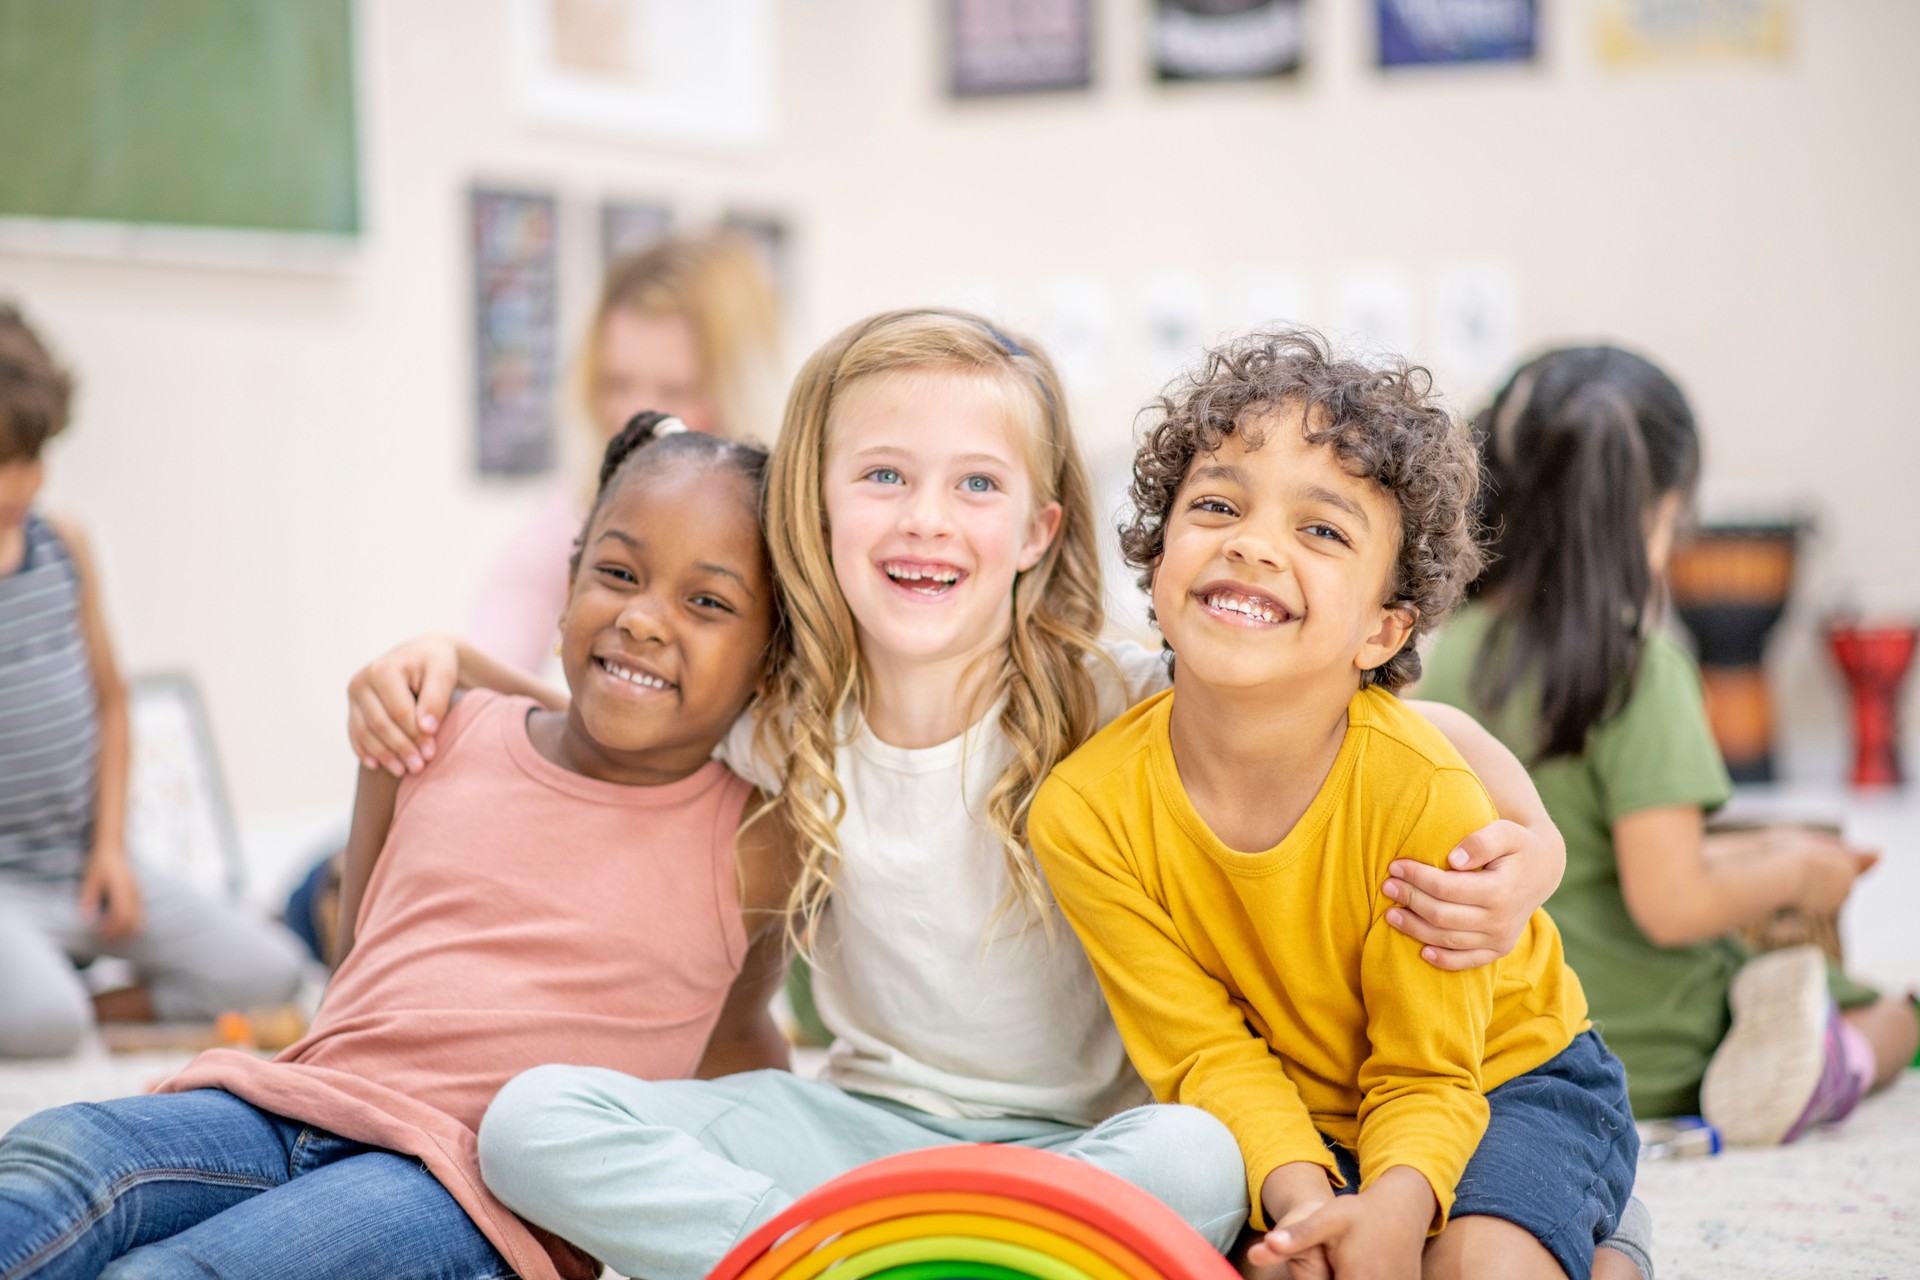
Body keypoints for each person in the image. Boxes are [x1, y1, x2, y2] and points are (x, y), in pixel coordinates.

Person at [347, 309, 1594, 1280]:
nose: (928, 520)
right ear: (814, 510)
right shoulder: (782, 728)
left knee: (1204, 1151)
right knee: (530, 1121)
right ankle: (855, 1257)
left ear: (1041, 529)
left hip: (1086, 1148)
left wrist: (1529, 848)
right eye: (882, 476)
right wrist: (458, 670)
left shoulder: (1116, 693)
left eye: (977, 486)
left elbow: (1392, 725)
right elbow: (621, 711)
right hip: (856, 1132)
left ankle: (861, 1253)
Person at [0, 415, 798, 1280]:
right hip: (287, 1105)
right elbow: (354, 965)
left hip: (469, 1199)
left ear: (770, 664)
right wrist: (457, 664)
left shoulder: (760, 839)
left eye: (708, 602)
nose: (643, 619)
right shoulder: (436, 729)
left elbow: (741, 1048)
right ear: (568, 586)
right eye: (617, 573)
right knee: (60, 1151)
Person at [1030, 329, 1640, 1280]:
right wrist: (1310, 1205)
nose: (1253, 542)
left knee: (1474, 1270)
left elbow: (1426, 1070)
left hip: (1507, 1077)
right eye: (1218, 504)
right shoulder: (1084, 811)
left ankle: (1609, 1243)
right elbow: (1206, 1056)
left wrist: (1395, 1210)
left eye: (1321, 530)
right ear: (1157, 560)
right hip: (1300, 1111)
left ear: (1382, 629)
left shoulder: (1421, 787)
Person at [1419, 345, 1918, 1142]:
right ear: (1660, 510)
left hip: (1511, 1033)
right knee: (1885, 1008)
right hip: (1657, 1044)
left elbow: (1598, 861)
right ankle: (1830, 1069)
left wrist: (1777, 851)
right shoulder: (1641, 669)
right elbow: (1671, 901)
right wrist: (1794, 869)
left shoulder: (1456, 646)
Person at [0, 303, 305, 1060]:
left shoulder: (62, 545)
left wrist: (109, 848)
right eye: (5, 460)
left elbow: (110, 701)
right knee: (45, 1025)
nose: (26, 482)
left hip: (87, 866)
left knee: (272, 974)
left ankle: (96, 1004)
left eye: (35, 457)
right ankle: (57, 998)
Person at [468, 233, 782, 677]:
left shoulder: (794, 532)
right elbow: (490, 660)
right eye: (616, 383)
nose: (638, 415)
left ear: (738, 393)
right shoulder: (572, 516)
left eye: (676, 390)